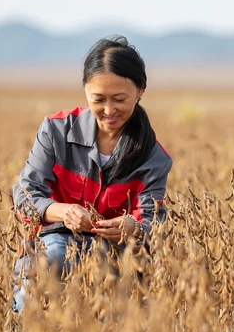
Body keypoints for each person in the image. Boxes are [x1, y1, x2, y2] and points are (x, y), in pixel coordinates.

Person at [11, 36, 172, 311]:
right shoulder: (56, 131)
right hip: (55, 240)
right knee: (54, 256)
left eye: (119, 99)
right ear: (86, 91)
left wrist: (132, 228)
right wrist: (63, 212)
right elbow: (25, 196)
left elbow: (153, 224)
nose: (109, 111)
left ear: (140, 90)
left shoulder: (153, 157)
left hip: (118, 254)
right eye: (99, 99)